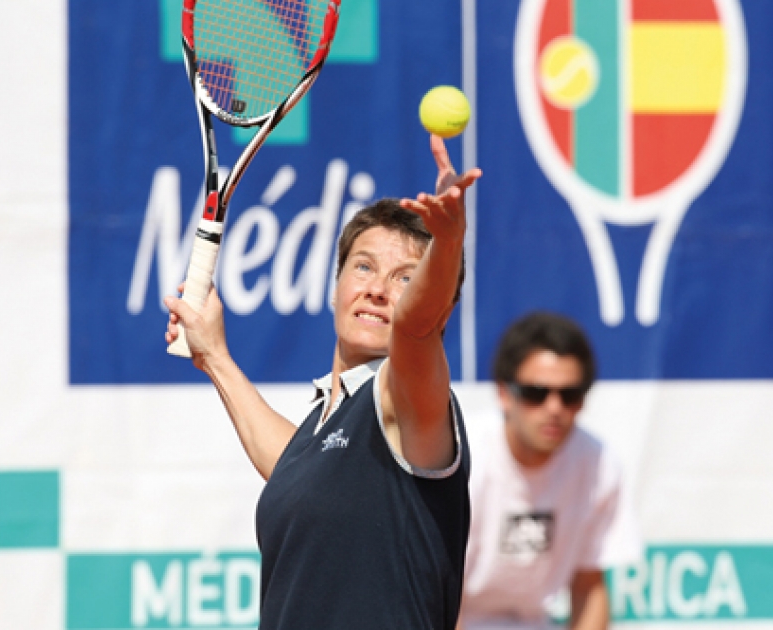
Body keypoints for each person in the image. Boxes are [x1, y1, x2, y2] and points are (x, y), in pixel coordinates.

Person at [165, 134, 482, 630]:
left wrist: (447, 245)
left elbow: (415, 327)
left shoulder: (407, 398)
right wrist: (214, 356)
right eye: (363, 267)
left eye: (404, 278)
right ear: (335, 288)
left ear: (440, 310)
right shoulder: (324, 426)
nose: (377, 289)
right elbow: (294, 467)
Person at [458, 312, 641, 630]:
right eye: (536, 393)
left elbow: (588, 586)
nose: (554, 408)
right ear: (504, 393)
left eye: (570, 395)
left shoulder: (598, 464)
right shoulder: (460, 459)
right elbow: (429, 591)